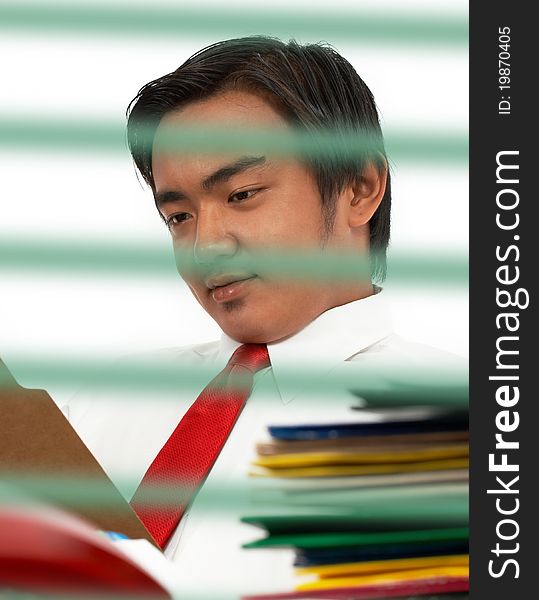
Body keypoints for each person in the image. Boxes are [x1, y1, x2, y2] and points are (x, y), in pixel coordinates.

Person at [67, 37, 463, 596]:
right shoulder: (97, 406)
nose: (204, 246)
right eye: (177, 216)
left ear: (360, 187)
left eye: (242, 194)